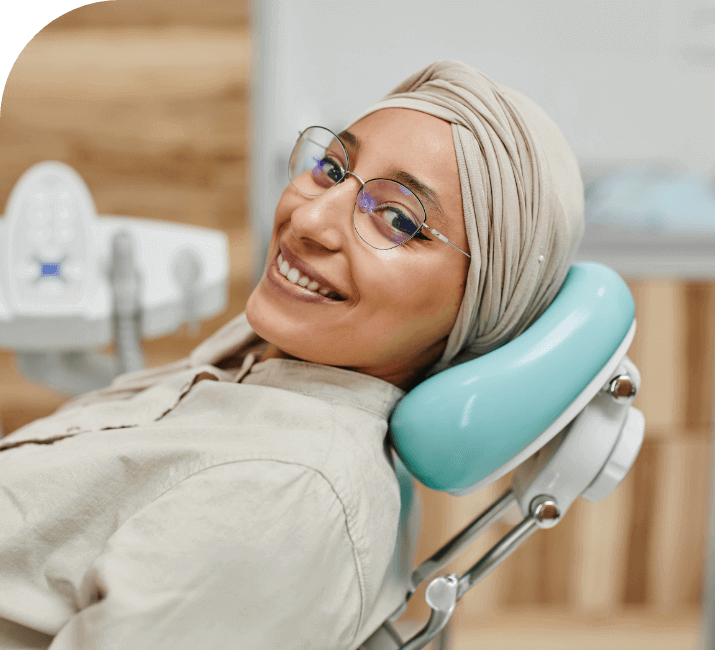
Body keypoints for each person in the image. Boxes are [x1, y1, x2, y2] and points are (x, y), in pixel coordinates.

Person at [0, 60, 584, 650]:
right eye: (332, 169)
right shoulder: (271, 364)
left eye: (398, 218)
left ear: (477, 303)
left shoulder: (284, 497)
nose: (307, 218)